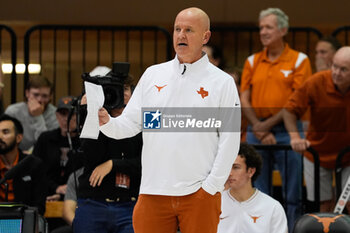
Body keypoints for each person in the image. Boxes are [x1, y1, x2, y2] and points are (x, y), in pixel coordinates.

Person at [98, 7, 241, 233]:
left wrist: (211, 187)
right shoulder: (153, 74)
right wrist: (107, 122)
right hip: (152, 192)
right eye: (177, 29)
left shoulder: (222, 82)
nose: (181, 35)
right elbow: (129, 124)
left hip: (199, 193)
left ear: (206, 36)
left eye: (189, 30)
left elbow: (230, 140)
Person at [240, 8, 312, 230]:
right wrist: (259, 128)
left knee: (292, 194)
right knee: (257, 191)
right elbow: (244, 96)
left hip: (287, 129)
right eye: (261, 27)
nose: (263, 31)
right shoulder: (252, 60)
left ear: (283, 30)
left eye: (268, 27)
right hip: (256, 129)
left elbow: (295, 100)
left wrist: (265, 126)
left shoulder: (300, 60)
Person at [73, 70, 143, 233]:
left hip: (129, 203)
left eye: (125, 89)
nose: (121, 94)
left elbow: (147, 163)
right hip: (94, 202)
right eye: (116, 89)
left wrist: (113, 164)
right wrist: (89, 114)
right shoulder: (97, 116)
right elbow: (90, 157)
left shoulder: (142, 121)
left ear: (132, 93)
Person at [283, 46, 350, 213]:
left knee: (348, 204)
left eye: (344, 69)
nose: (336, 72)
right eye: (334, 66)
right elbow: (289, 110)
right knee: (324, 206)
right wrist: (295, 138)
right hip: (317, 154)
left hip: (348, 155)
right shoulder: (317, 81)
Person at [218, 143, 288, 233]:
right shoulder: (215, 203)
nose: (230, 173)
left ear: (251, 171)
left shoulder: (273, 207)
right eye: (228, 167)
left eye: (236, 167)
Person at [33, 96, 80, 201]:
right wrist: (55, 188)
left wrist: (66, 192)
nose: (66, 119)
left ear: (79, 116)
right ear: (56, 115)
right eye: (63, 114)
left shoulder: (84, 142)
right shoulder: (45, 139)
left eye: (71, 114)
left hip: (76, 196)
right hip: (46, 194)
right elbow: (36, 170)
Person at [0, 114, 46, 215]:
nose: (0, 136)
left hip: (22, 222)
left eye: (5, 132)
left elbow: (39, 207)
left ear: (18, 138)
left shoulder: (33, 165)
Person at [5, 76, 59, 152]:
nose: (40, 100)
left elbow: (47, 144)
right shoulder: (13, 111)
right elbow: (6, 139)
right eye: (36, 95)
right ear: (27, 93)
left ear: (50, 97)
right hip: (16, 157)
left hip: (43, 158)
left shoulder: (56, 114)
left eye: (44, 96)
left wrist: (38, 116)